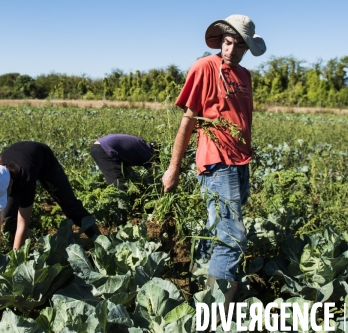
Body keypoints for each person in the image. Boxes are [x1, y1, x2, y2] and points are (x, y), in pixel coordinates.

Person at [162, 15, 266, 303]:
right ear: (221, 41)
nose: (231, 50)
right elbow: (188, 120)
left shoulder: (245, 76)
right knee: (232, 238)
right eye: (227, 42)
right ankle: (217, 312)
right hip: (217, 163)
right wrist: (174, 168)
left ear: (246, 48)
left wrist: (246, 151)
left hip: (240, 163)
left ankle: (200, 291)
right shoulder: (205, 67)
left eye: (238, 45)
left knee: (216, 231)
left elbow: (243, 119)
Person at [0, 141, 101, 250]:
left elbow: (23, 223)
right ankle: (14, 248)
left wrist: (17, 260)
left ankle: (100, 241)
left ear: (10, 183)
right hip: (19, 161)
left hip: (44, 161)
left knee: (70, 205)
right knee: (7, 219)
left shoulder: (25, 179)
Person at [90, 134, 157, 218]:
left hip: (104, 148)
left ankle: (124, 209)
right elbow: (154, 175)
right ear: (154, 151)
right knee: (118, 184)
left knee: (132, 178)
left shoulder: (142, 146)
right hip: (104, 149)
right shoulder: (147, 152)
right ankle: (120, 216)